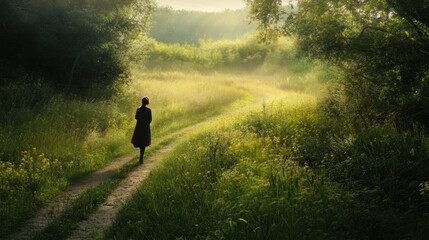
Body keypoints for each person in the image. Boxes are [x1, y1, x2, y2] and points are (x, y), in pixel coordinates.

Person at [131, 97, 152, 164]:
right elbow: (150, 120)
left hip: (139, 127)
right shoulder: (148, 110)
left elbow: (136, 117)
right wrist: (146, 123)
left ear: (142, 102)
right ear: (147, 103)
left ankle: (140, 157)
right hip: (145, 128)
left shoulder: (138, 110)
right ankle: (141, 158)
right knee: (143, 143)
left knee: (139, 142)